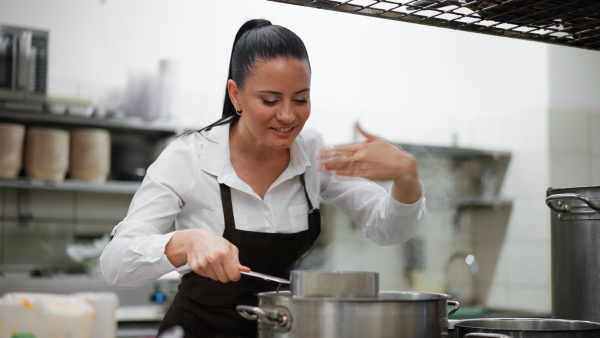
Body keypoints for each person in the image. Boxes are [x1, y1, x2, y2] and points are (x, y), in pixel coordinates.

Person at [99, 18, 426, 338]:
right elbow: (115, 263)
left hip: (278, 330)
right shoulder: (189, 156)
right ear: (236, 95)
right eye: (270, 100)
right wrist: (185, 242)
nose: (287, 115)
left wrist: (406, 176)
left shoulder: (312, 152)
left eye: (301, 99)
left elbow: (388, 229)